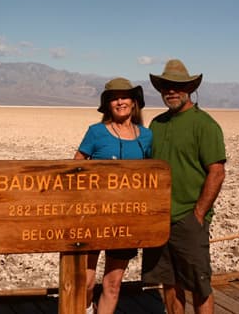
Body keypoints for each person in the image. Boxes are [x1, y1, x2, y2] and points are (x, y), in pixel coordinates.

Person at [141, 59, 226, 314]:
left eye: (178, 86)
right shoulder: (157, 124)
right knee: (168, 282)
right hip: (159, 219)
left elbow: (217, 172)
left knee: (199, 285)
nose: (171, 91)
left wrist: (198, 214)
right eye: (166, 86)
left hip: (188, 219)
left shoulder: (204, 125)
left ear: (189, 88)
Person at [75, 78, 153, 314]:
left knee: (113, 284)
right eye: (114, 98)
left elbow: (152, 176)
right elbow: (75, 168)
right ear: (108, 105)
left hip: (126, 220)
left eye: (124, 97)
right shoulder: (96, 132)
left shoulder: (146, 136)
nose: (120, 102)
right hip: (92, 218)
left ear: (134, 102)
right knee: (86, 282)